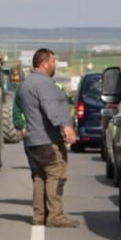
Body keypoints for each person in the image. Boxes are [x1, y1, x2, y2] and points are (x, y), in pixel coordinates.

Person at [18, 48, 79, 228]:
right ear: (44, 63)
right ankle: (55, 216)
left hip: (33, 139)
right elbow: (52, 109)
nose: (55, 65)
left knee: (39, 176)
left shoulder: (27, 83)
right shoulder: (44, 84)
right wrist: (67, 128)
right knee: (56, 174)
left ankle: (39, 215)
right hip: (46, 139)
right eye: (53, 61)